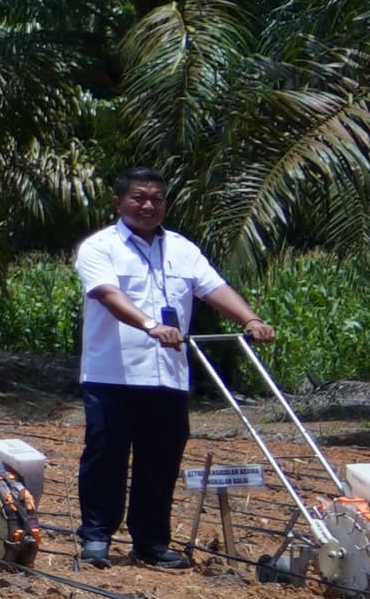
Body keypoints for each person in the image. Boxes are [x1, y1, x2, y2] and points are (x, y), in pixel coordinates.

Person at [73, 167, 274, 568]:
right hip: (113, 372)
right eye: (139, 198)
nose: (148, 205)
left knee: (161, 459)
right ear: (118, 202)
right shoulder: (100, 247)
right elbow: (109, 295)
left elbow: (213, 288)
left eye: (157, 199)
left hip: (168, 374)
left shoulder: (183, 249)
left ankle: (151, 542)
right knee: (106, 456)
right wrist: (150, 325)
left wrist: (250, 320)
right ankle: (96, 538)